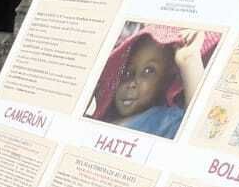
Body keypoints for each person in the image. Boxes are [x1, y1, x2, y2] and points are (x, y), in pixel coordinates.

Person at [87, 26, 215, 139]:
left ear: (164, 82)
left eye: (148, 71)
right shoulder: (103, 118)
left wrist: (189, 60)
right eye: (126, 73)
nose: (132, 82)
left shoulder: (163, 119)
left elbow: (198, 126)